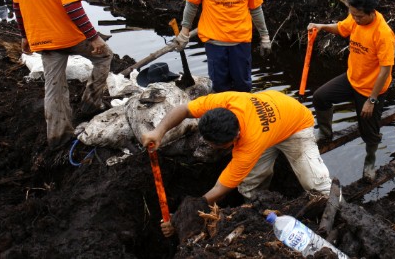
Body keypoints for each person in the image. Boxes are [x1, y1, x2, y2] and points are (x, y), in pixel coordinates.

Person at [141, 89, 333, 237]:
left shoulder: (248, 147)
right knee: (250, 185)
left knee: (316, 184)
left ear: (236, 137)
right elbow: (184, 109)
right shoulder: (223, 102)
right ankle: (258, 211)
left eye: (218, 145)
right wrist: (158, 132)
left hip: (295, 125)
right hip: (271, 113)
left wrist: (185, 215)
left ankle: (340, 209)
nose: (212, 147)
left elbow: (220, 188)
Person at [11, 0, 113, 149]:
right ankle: (90, 104)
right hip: (69, 36)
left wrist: (24, 36)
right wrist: (94, 37)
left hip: (43, 39)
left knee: (54, 87)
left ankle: (58, 138)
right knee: (104, 55)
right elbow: (73, 6)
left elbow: (17, 6)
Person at [308, 0, 395, 182]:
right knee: (320, 97)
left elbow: (385, 70)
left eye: (359, 16)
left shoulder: (383, 33)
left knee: (369, 131)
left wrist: (371, 100)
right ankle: (324, 132)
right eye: (352, 14)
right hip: (352, 78)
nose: (355, 19)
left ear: (372, 12)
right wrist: (321, 26)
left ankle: (370, 161)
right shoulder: (355, 17)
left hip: (371, 89)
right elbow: (341, 28)